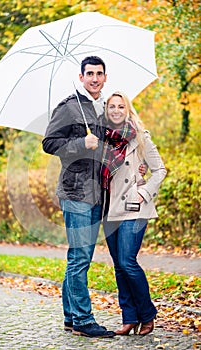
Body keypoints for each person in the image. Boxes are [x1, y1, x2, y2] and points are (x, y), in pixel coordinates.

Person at [42, 56, 116, 338]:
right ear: (81, 77)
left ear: (105, 77)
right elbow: (49, 143)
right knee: (80, 258)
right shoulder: (68, 106)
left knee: (78, 256)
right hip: (76, 192)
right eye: (90, 74)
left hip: (99, 193)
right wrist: (79, 143)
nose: (95, 78)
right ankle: (84, 320)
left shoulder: (105, 107)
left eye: (99, 73)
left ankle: (71, 318)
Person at [101, 91, 167, 336]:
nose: (116, 110)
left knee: (128, 262)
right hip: (110, 209)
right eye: (111, 107)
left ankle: (147, 314)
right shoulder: (101, 140)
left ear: (127, 110)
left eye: (121, 106)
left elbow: (159, 170)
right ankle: (129, 318)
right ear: (106, 111)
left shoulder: (140, 138)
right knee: (119, 265)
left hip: (134, 207)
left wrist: (145, 192)